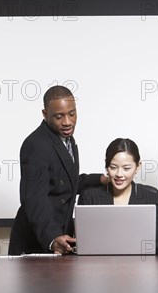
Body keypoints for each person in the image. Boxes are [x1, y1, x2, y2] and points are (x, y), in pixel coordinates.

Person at [8, 85, 107, 255]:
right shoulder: (36, 144)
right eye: (59, 116)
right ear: (45, 114)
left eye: (72, 113)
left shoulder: (67, 140)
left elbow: (65, 181)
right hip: (38, 241)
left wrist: (101, 179)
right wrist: (53, 238)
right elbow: (34, 198)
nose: (67, 122)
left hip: (61, 237)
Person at [78, 138, 158, 255]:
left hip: (140, 267)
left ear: (138, 167)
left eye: (126, 168)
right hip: (98, 267)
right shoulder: (89, 196)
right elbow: (82, 245)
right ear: (106, 165)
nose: (119, 174)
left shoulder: (151, 197)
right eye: (113, 167)